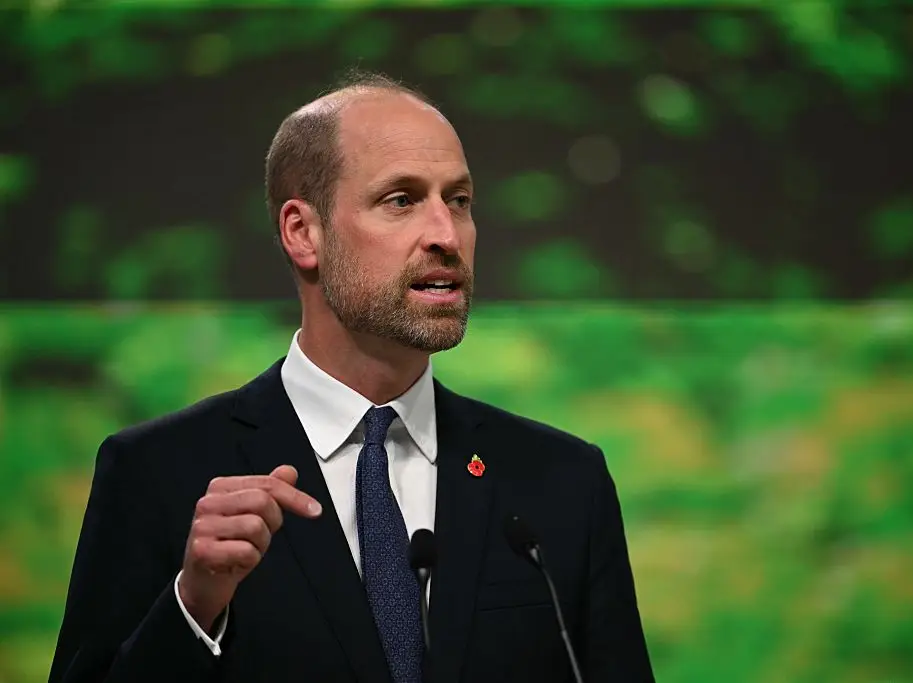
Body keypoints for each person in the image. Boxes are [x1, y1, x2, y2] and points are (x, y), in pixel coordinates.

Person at [48, 71, 654, 683]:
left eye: (460, 201)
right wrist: (194, 604)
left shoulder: (563, 483)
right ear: (302, 232)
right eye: (402, 200)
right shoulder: (160, 472)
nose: (447, 235)